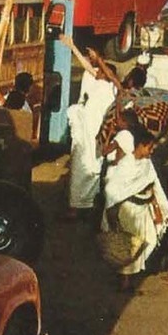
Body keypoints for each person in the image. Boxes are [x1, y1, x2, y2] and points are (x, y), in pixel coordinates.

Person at [101, 116, 168, 294]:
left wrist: (158, 208)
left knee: (149, 240)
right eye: (150, 147)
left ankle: (127, 279)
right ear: (140, 145)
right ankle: (125, 283)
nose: (151, 151)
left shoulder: (147, 164)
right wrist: (112, 216)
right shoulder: (126, 165)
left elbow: (152, 184)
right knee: (129, 245)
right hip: (128, 211)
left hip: (144, 209)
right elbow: (112, 192)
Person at [66, 48, 119, 219]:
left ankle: (82, 208)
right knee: (78, 169)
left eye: (101, 73)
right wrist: (73, 47)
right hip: (84, 134)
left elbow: (110, 76)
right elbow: (89, 68)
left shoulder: (112, 88)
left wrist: (101, 62)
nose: (97, 74)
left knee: (89, 168)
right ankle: (78, 206)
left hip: (94, 135)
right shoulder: (97, 82)